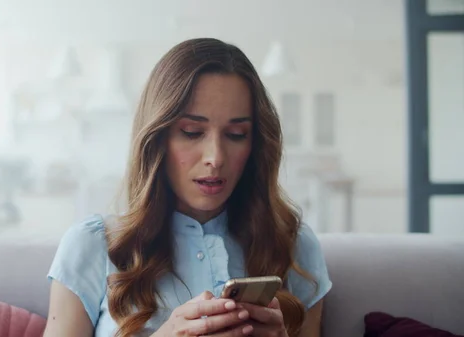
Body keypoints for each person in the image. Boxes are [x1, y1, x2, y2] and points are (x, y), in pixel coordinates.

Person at [43, 38, 332, 337]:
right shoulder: (92, 246)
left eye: (236, 134)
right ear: (157, 138)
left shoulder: (295, 247)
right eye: (192, 132)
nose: (215, 158)